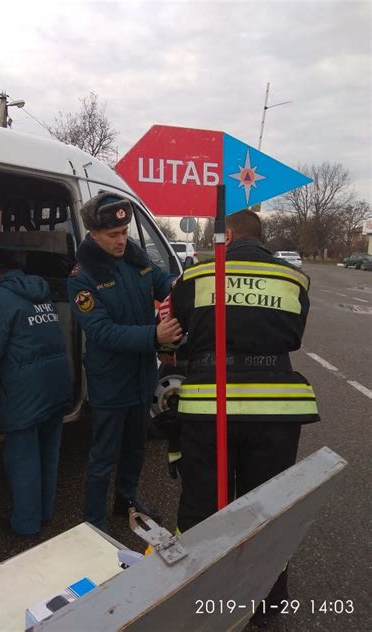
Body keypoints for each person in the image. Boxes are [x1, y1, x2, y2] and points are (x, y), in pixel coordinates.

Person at [167, 209, 320, 625]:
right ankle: (267, 603)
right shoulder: (293, 279)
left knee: (203, 509)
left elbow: (176, 331)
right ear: (262, 237)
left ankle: (200, 596)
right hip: (275, 410)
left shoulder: (196, 276)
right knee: (268, 506)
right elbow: (294, 335)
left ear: (227, 234)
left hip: (209, 406)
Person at [67, 193, 182, 531]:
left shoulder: (136, 258)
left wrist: (182, 284)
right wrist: (154, 337)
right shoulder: (82, 276)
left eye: (123, 231)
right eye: (113, 235)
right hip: (111, 378)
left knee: (136, 447)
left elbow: (163, 282)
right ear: (93, 234)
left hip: (141, 374)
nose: (121, 240)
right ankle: (93, 522)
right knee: (104, 454)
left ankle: (126, 500)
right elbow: (101, 332)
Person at [0, 246, 72, 536]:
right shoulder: (41, 291)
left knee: (23, 457)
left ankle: (25, 524)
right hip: (57, 381)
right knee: (48, 451)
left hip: (25, 389)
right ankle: (44, 513)